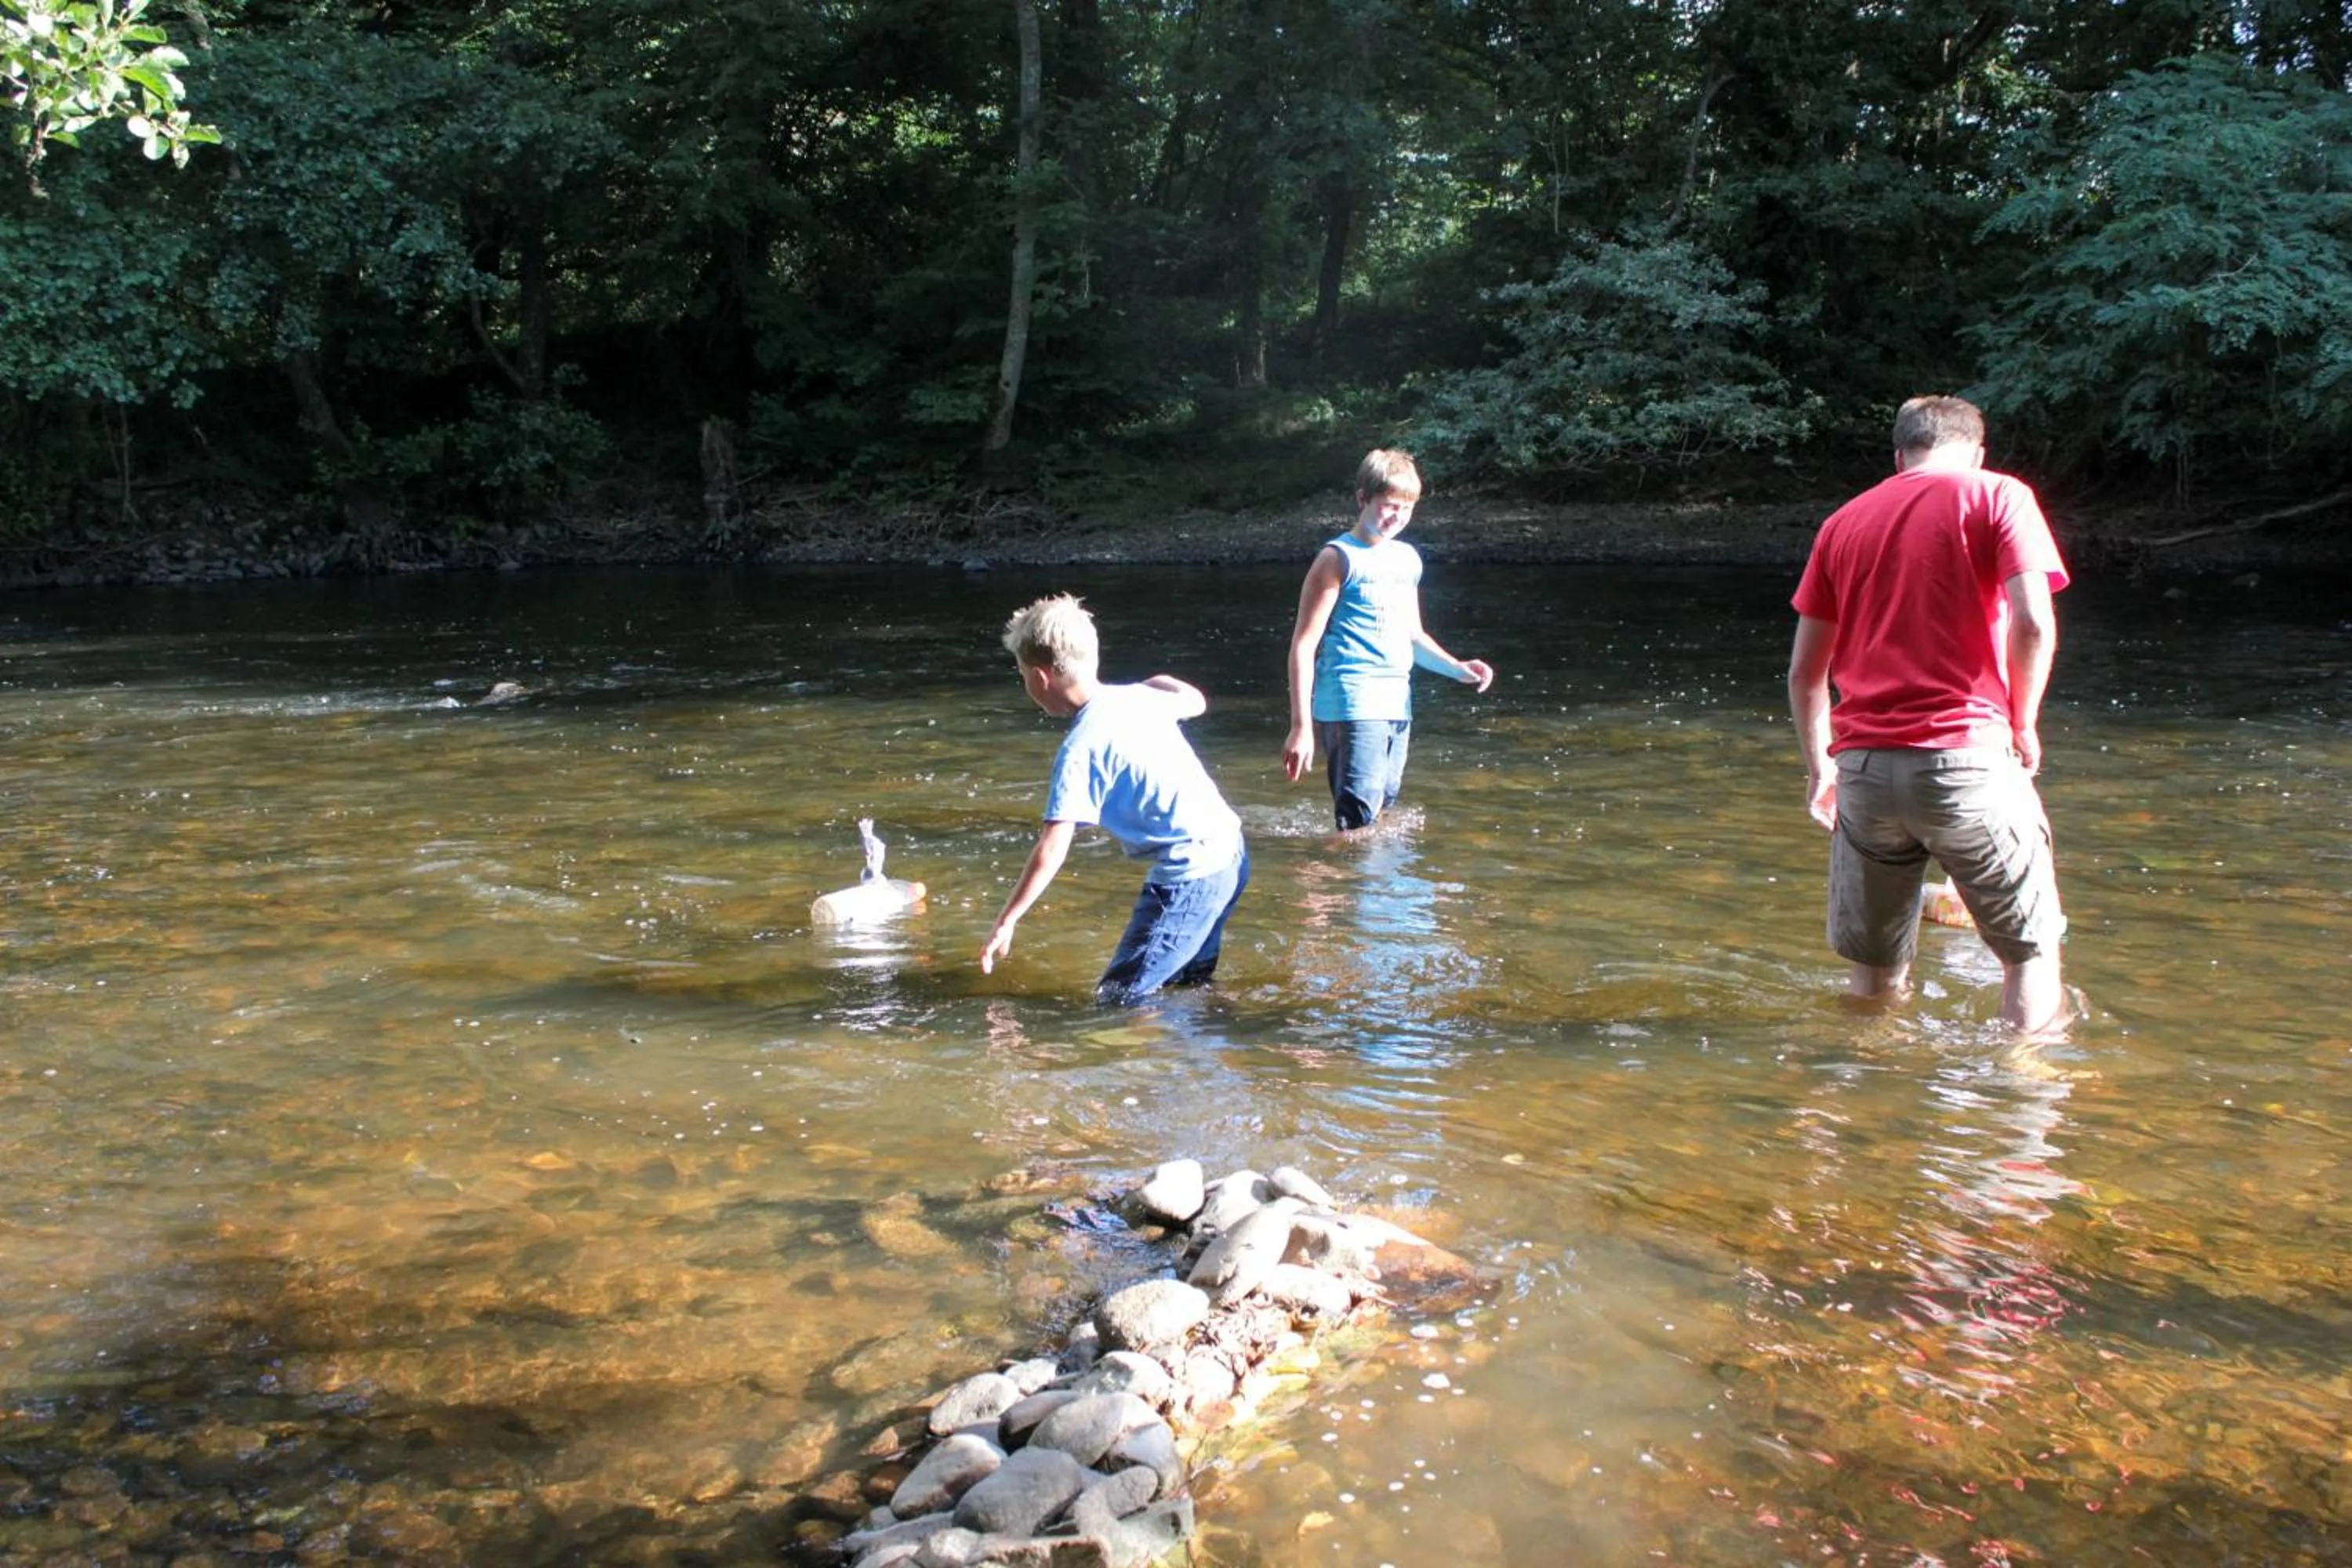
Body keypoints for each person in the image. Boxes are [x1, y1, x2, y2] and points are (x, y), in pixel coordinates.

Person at [1787, 395, 2071, 1033]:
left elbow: (1807, 674)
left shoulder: (1843, 522)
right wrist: (2023, 720)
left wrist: (1819, 770)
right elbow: (2031, 621)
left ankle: (1860, 1088)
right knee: (2030, 953)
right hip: (1966, 758)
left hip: (1863, 770)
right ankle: (2023, 1106)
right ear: (1976, 452)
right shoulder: (2000, 495)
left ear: (1898, 456)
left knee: (1875, 970)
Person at [982, 594, 1250, 1004]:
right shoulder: (1138, 698)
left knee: (1120, 1001)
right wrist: (1155, 680)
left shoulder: (1080, 747)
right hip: (1231, 854)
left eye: (1022, 675)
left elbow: (1051, 848)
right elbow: (1197, 701)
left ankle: (1154, 1064)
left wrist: (1007, 919)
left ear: (1039, 678)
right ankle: (1198, 1061)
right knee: (1189, 986)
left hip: (1191, 874)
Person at [1283, 448, 1494, 829]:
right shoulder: (1337, 558)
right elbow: (1304, 644)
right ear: (1363, 498)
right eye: (1389, 506)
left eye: (1406, 509)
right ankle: (1323, 885)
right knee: (1359, 820)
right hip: (1352, 700)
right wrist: (1301, 727)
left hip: (1397, 701)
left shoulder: (1407, 558)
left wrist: (1459, 670)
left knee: (1383, 813)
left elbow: (1412, 636)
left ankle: (1363, 886)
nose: (1397, 517)